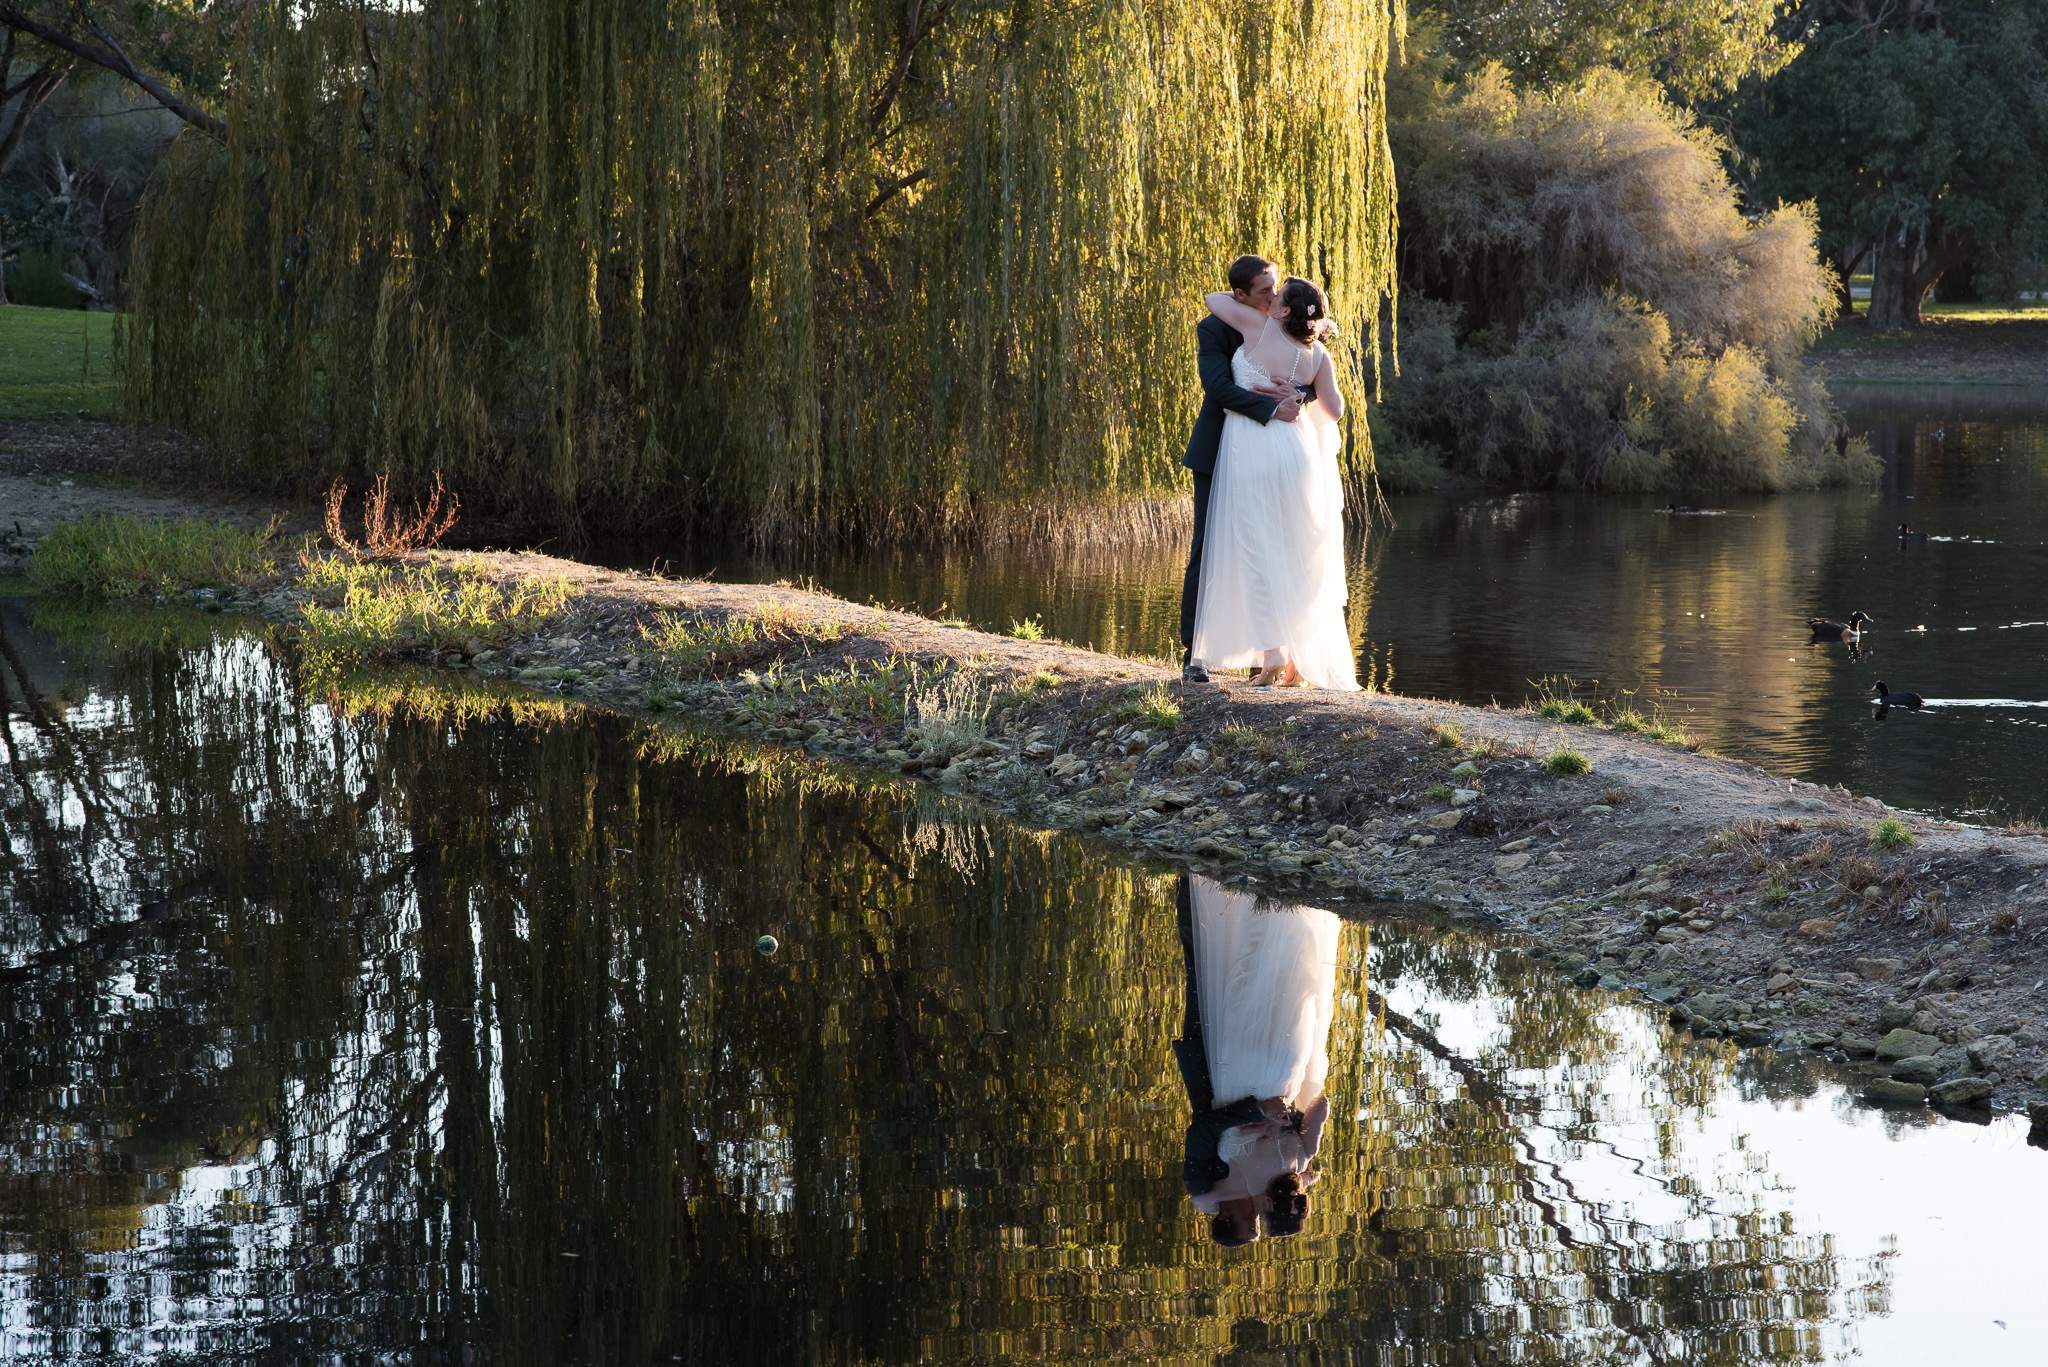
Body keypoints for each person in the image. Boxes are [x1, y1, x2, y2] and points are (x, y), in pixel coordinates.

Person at [1189, 274, 1359, 691]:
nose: (1268, 300)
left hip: (1253, 448)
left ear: (1283, 311)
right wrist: (1299, 393)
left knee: (1255, 549)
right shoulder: (1318, 353)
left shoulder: (1258, 327)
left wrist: (1261, 309)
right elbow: (1334, 410)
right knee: (1294, 552)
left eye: (1276, 297)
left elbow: (1214, 298)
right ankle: (1298, 662)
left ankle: (1272, 659)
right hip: (1297, 453)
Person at [1171, 874, 1339, 1246]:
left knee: (1204, 960)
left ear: (1226, 1216)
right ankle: (1260, 895)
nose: (1257, 1213)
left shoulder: (1204, 1184)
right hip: (1259, 1063)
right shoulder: (1278, 1174)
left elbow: (1201, 1132)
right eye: (1260, 1219)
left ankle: (1195, 882)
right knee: (1268, 982)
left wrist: (1256, 1113)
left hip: (1212, 1061)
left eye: (1251, 1220)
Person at [1178, 255, 1310, 684]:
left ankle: (1265, 654)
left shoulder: (1282, 324)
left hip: (1268, 457)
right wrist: (1273, 408)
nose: (1274, 297)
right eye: (1264, 292)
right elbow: (1218, 389)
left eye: (1276, 289)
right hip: (1218, 451)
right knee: (1208, 549)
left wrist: (1296, 398)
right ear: (1240, 296)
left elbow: (1304, 373)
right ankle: (1193, 655)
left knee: (1269, 547)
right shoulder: (1212, 328)